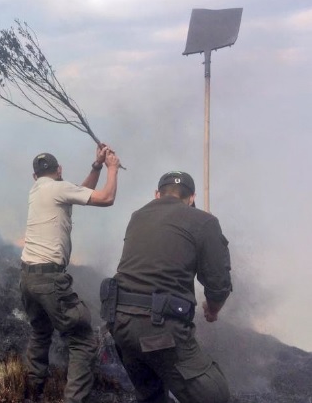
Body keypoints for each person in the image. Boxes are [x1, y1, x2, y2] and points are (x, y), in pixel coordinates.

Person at [103, 171, 232, 403]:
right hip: (160, 329)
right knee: (217, 396)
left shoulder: (137, 216)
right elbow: (218, 284)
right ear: (192, 197)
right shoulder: (205, 221)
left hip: (119, 322)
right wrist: (212, 310)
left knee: (151, 395)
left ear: (156, 194)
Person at [20, 146, 120, 403]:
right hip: (50, 279)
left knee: (40, 332)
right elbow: (106, 198)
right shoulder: (58, 188)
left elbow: (80, 192)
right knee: (82, 340)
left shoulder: (39, 189)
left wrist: (96, 166)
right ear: (59, 170)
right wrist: (112, 168)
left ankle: (32, 393)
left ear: (35, 176)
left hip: (28, 277)